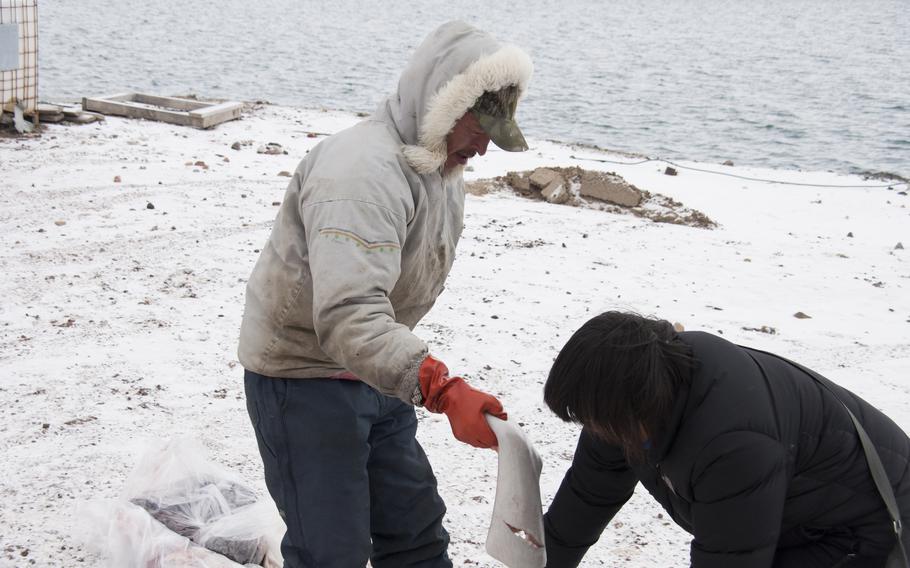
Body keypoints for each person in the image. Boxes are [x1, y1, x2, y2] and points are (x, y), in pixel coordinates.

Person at [237, 21, 533, 568]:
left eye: (495, 133)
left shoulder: (440, 167)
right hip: (302, 377)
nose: (484, 148)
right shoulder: (361, 172)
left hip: (377, 373)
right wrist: (440, 387)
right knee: (332, 553)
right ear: (442, 103)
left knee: (416, 536)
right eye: (479, 128)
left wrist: (413, 377)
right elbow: (350, 312)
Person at [542, 311, 910, 568]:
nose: (593, 429)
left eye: (594, 418)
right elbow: (588, 498)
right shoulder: (626, 400)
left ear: (633, 404)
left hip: (867, 526)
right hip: (797, 518)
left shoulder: (733, 443)